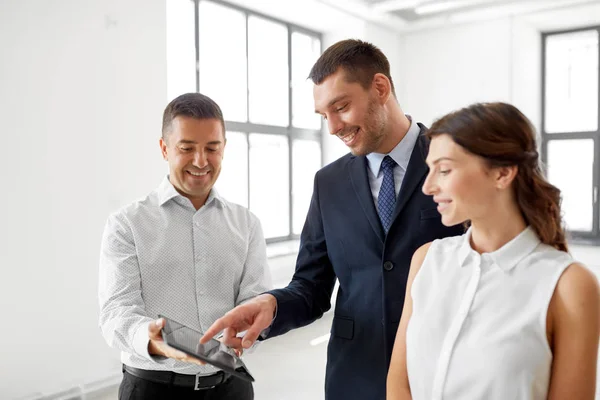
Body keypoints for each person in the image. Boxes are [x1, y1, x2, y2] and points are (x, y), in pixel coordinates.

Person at [200, 39, 463, 400]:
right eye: (324, 115)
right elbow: (312, 285)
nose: (333, 127)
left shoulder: (453, 159)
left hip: (444, 370)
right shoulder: (329, 182)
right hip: (355, 375)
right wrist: (271, 304)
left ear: (380, 88)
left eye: (341, 107)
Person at [386, 102, 600, 400]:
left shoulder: (569, 285)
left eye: (444, 169)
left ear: (502, 174)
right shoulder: (426, 260)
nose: (428, 186)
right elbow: (399, 385)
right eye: (429, 169)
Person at [98, 93, 271, 400]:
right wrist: (151, 339)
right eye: (187, 148)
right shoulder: (127, 224)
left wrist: (250, 328)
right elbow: (116, 312)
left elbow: (254, 299)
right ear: (165, 148)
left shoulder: (247, 224)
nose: (201, 161)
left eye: (212, 148)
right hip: (152, 390)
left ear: (224, 149)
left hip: (232, 388)